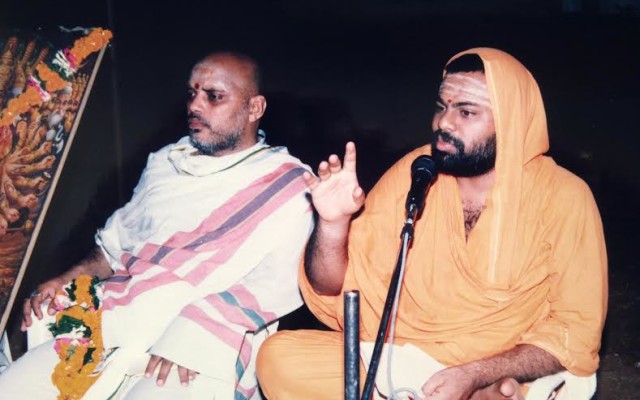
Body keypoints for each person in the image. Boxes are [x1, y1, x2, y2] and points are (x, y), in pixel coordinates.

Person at [256, 48, 607, 399]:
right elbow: (333, 286)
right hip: (403, 358)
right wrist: (332, 225)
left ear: (512, 121)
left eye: (466, 111)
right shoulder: (418, 172)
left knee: (563, 382)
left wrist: (475, 374)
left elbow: (574, 332)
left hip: (496, 365)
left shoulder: (565, 197)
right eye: (442, 107)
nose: (444, 123)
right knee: (278, 359)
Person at [0, 52, 314, 399]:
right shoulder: (166, 163)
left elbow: (277, 285)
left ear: (254, 108)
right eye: (192, 93)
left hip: (207, 340)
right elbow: (114, 247)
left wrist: (192, 332)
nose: (195, 105)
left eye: (214, 95)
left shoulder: (288, 185)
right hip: (117, 319)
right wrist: (65, 279)